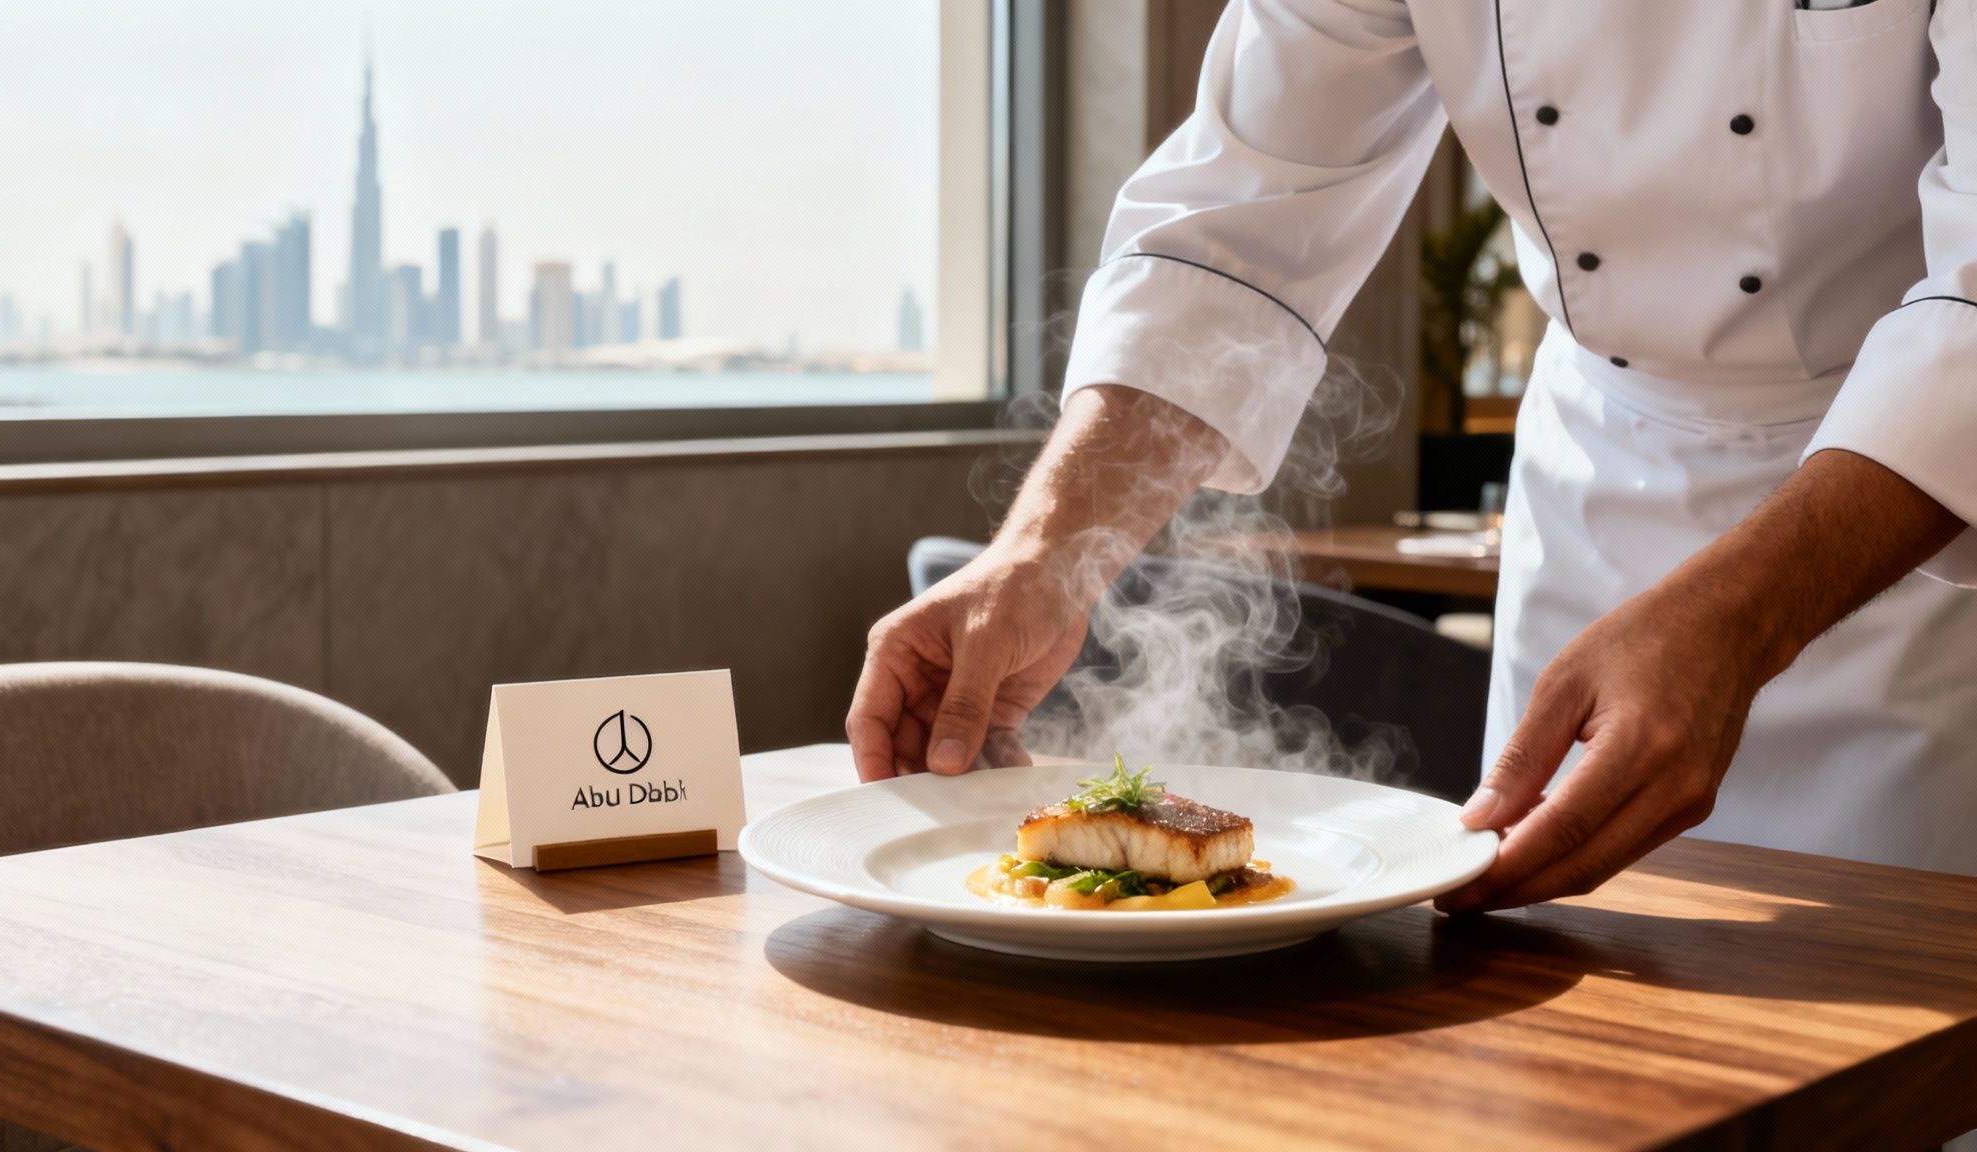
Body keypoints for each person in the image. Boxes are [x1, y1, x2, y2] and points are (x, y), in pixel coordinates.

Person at [847, 0, 1977, 911]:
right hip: (1598, 484)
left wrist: (1734, 621)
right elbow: (1236, 231)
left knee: (1900, 1022)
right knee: (1558, 1043)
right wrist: (1043, 553)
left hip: (1907, 516)